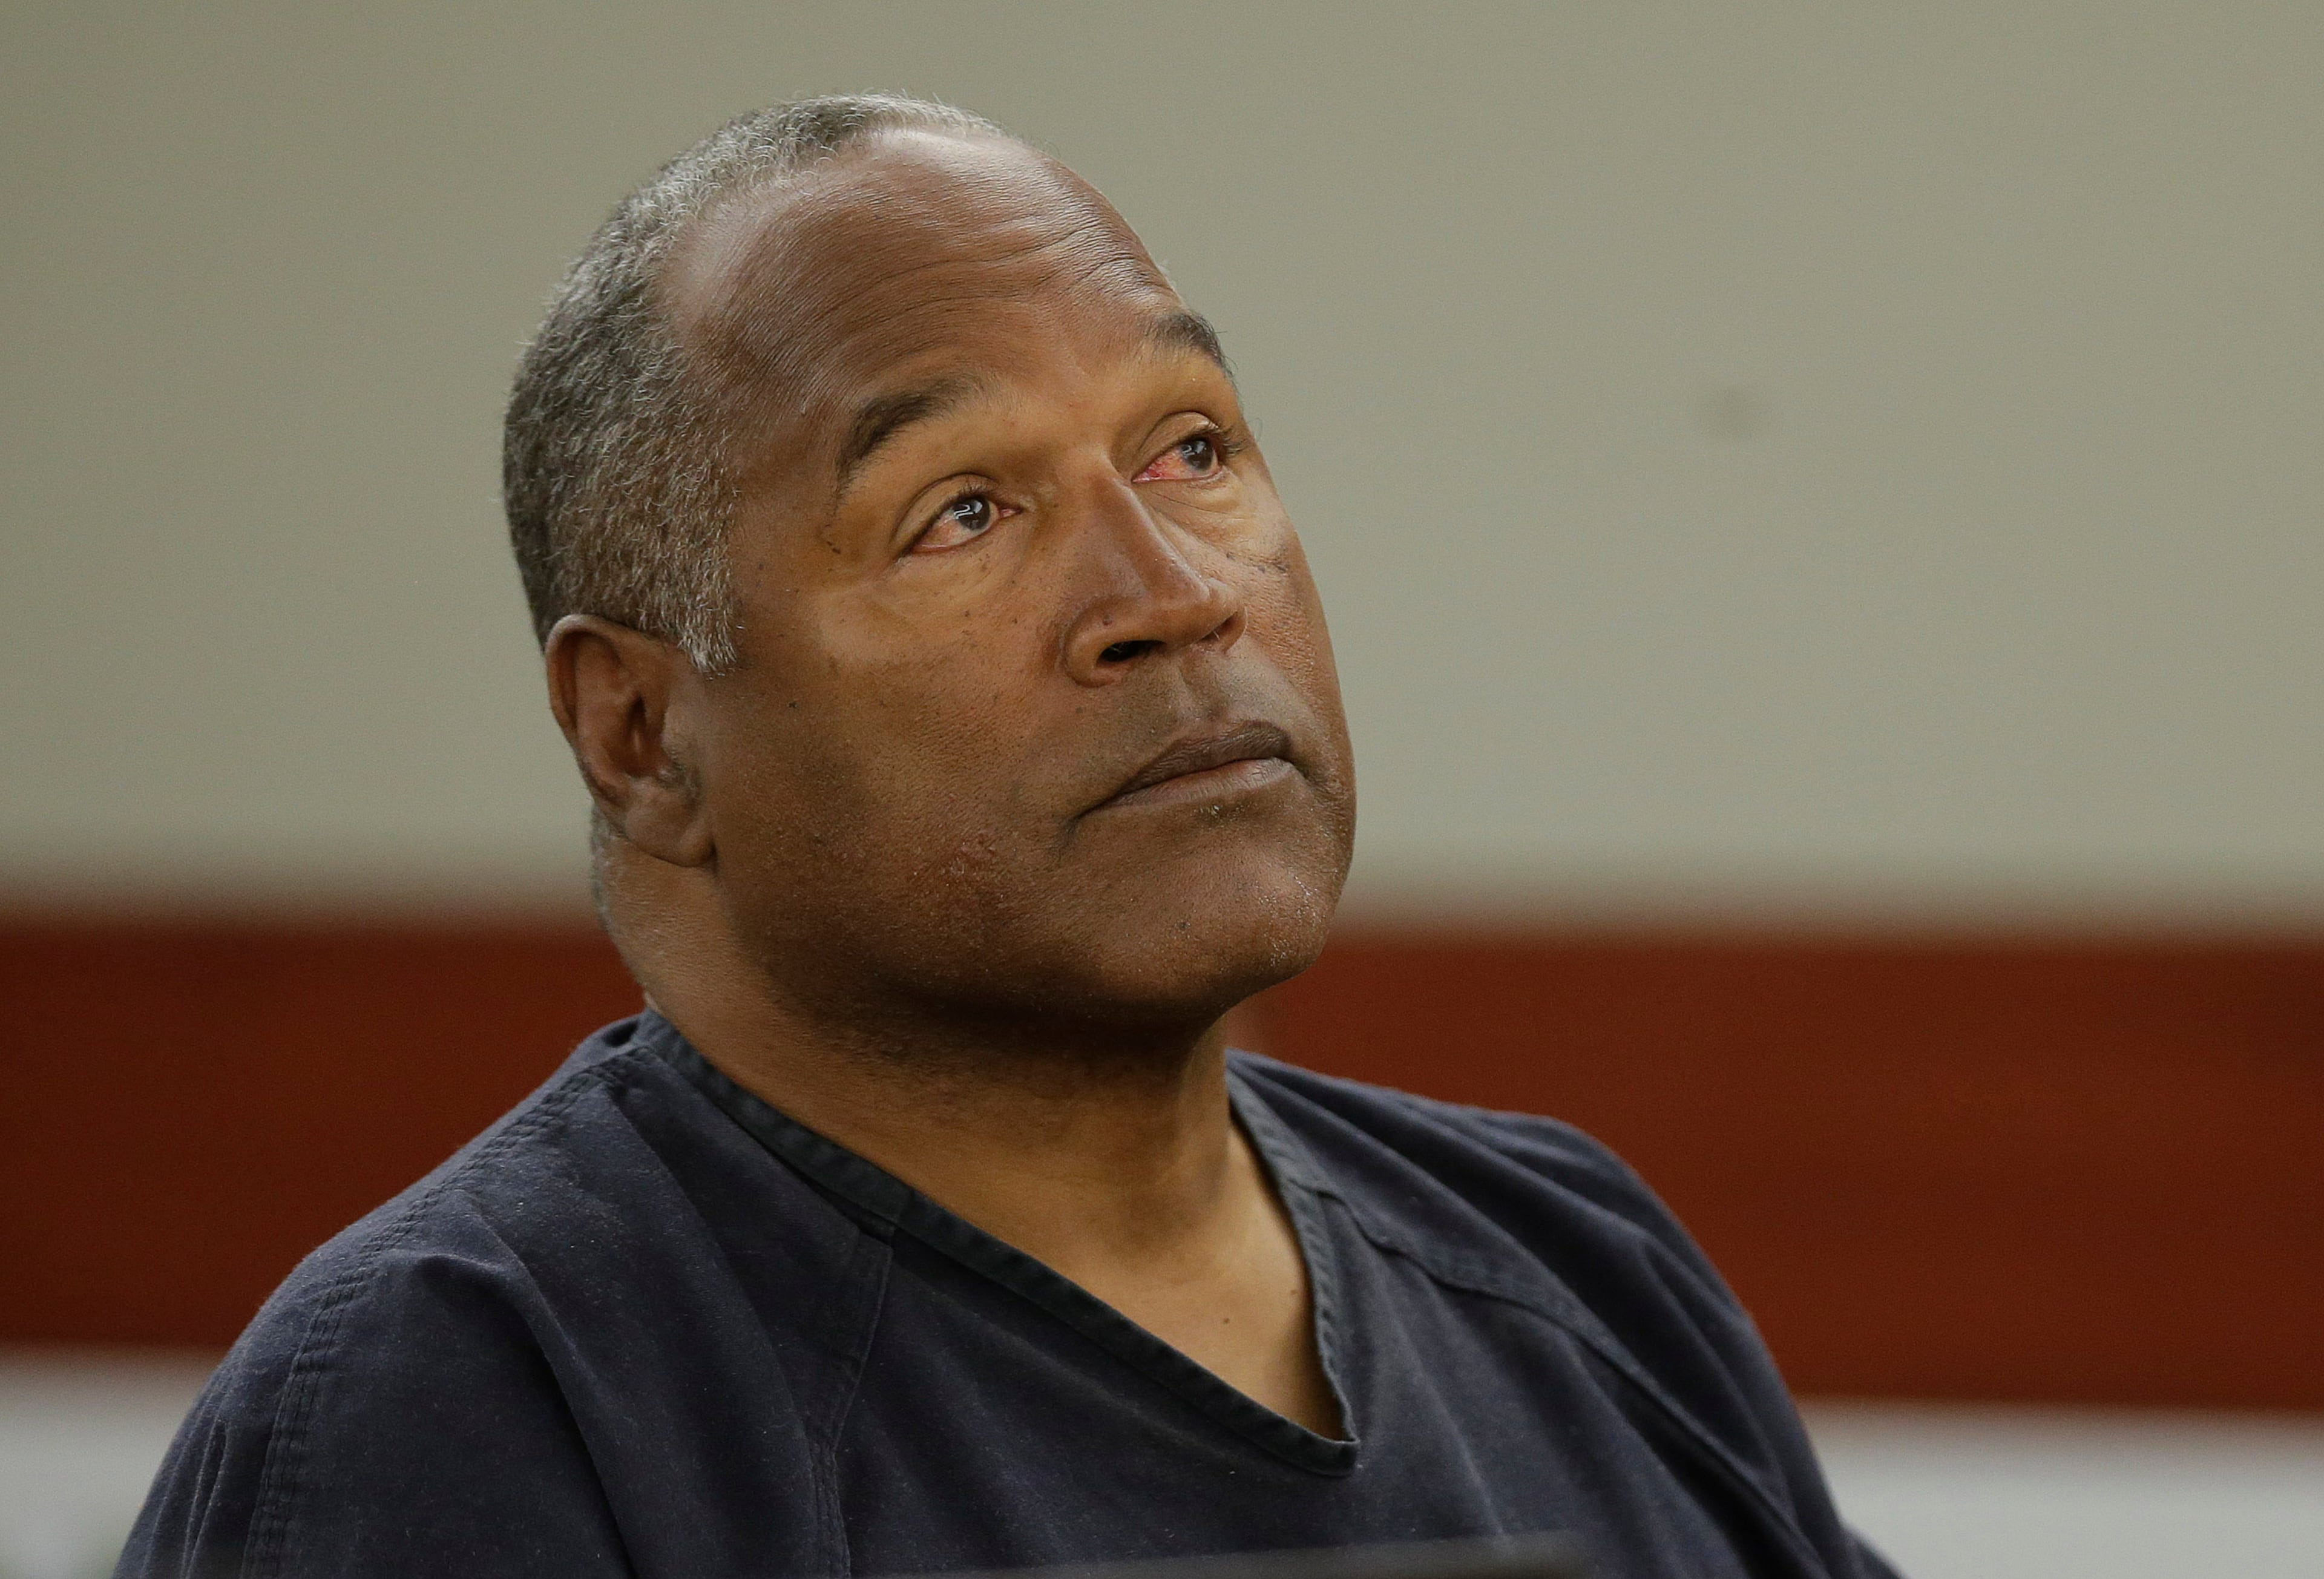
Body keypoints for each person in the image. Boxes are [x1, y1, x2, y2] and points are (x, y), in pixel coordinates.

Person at [119, 95, 1898, 1579]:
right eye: (962, 511)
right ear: (643, 736)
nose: (1171, 595)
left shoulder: (1581, 1271)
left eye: (1191, 446)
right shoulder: (468, 1405)